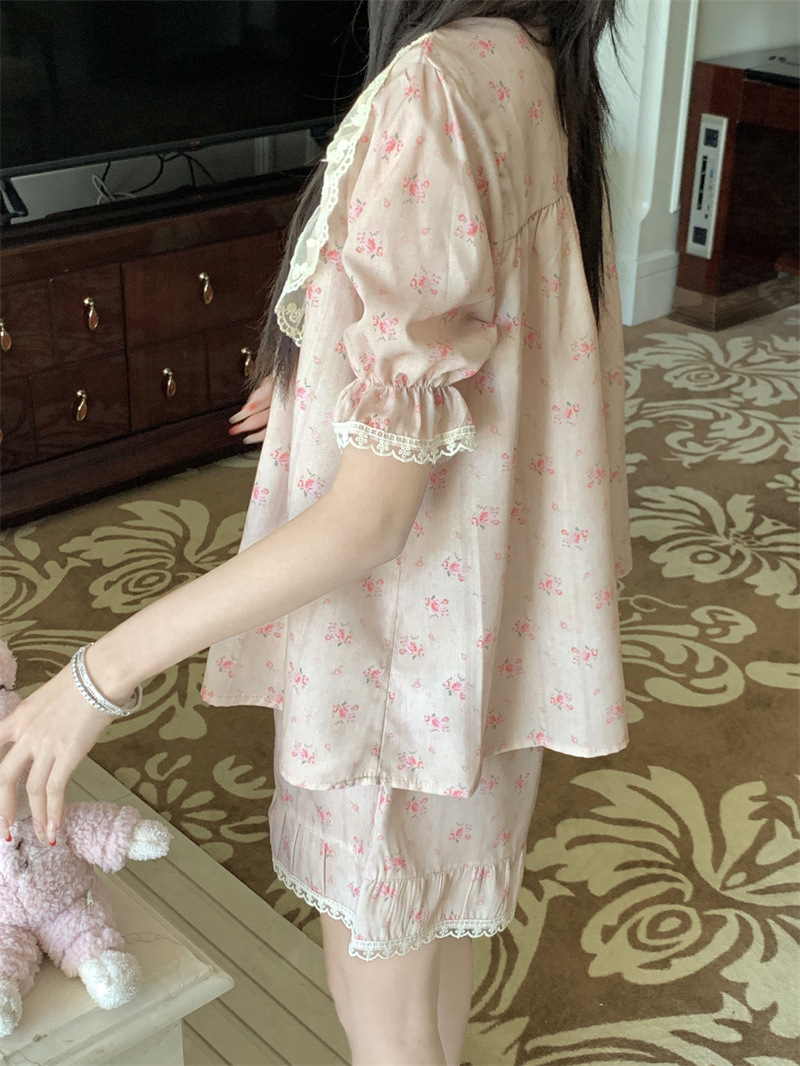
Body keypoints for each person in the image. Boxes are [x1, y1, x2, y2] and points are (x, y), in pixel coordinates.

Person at [0, 2, 632, 1063]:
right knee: (432, 952)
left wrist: (95, 677)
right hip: (484, 634)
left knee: (384, 1015)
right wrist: (321, 383)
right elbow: (495, 334)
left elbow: (367, 522)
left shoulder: (432, 85)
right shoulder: (528, 61)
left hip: (396, 662)